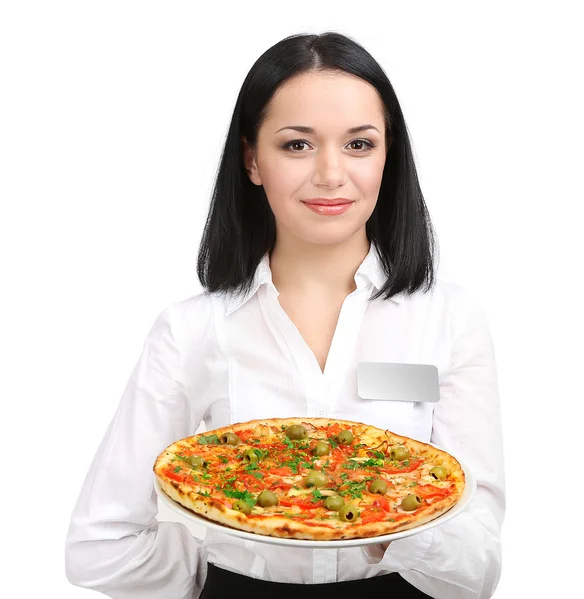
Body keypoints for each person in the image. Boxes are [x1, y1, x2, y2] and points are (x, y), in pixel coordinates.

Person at [65, 31, 505, 599]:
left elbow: (478, 570)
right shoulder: (191, 330)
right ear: (252, 159)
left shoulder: (450, 318)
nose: (329, 174)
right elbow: (98, 548)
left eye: (359, 144)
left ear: (388, 157)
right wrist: (216, 564)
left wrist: (388, 525)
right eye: (297, 145)